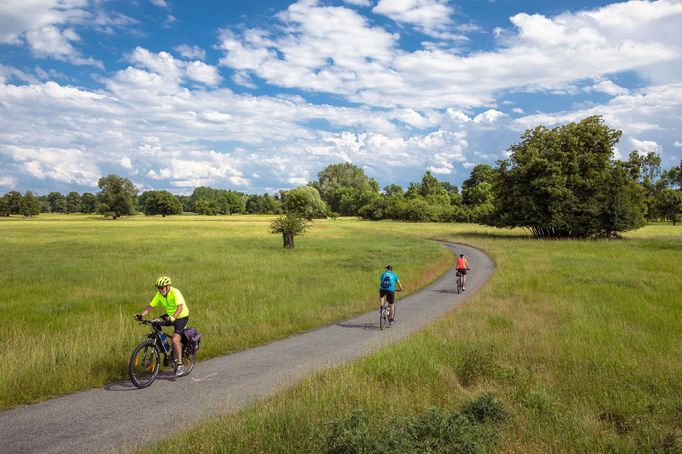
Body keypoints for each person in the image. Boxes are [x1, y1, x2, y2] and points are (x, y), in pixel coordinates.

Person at [135, 276, 190, 376]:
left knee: (175, 340)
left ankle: (180, 364)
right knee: (155, 322)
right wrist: (141, 315)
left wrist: (174, 317)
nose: (160, 290)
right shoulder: (159, 294)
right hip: (170, 316)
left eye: (162, 287)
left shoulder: (175, 292)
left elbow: (180, 307)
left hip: (181, 316)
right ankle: (166, 351)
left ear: (168, 286)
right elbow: (151, 306)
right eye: (158, 288)